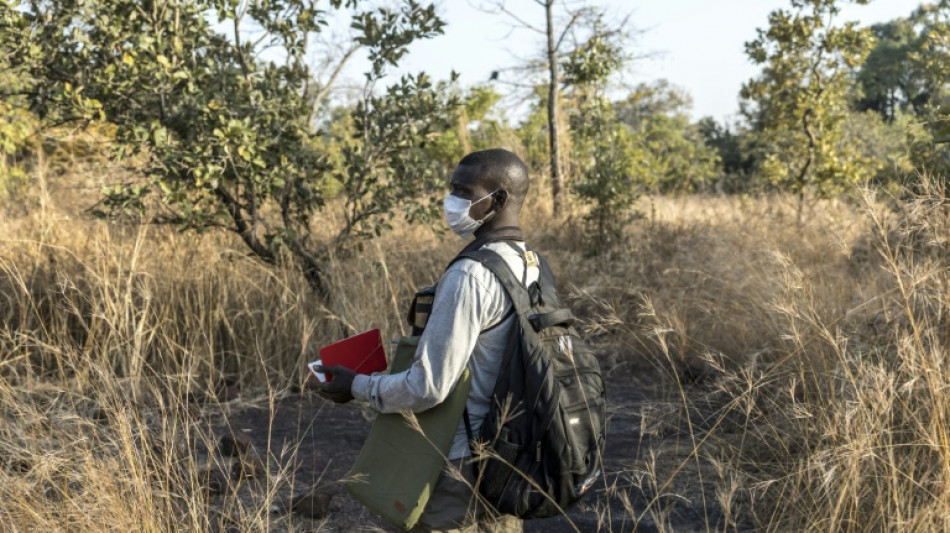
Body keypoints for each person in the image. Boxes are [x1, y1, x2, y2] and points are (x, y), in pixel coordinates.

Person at [318, 148, 533, 532]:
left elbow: (428, 387)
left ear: (498, 199)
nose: (451, 201)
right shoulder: (530, 263)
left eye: (463, 191)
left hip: (459, 463)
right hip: (509, 455)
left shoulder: (470, 275)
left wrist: (358, 386)